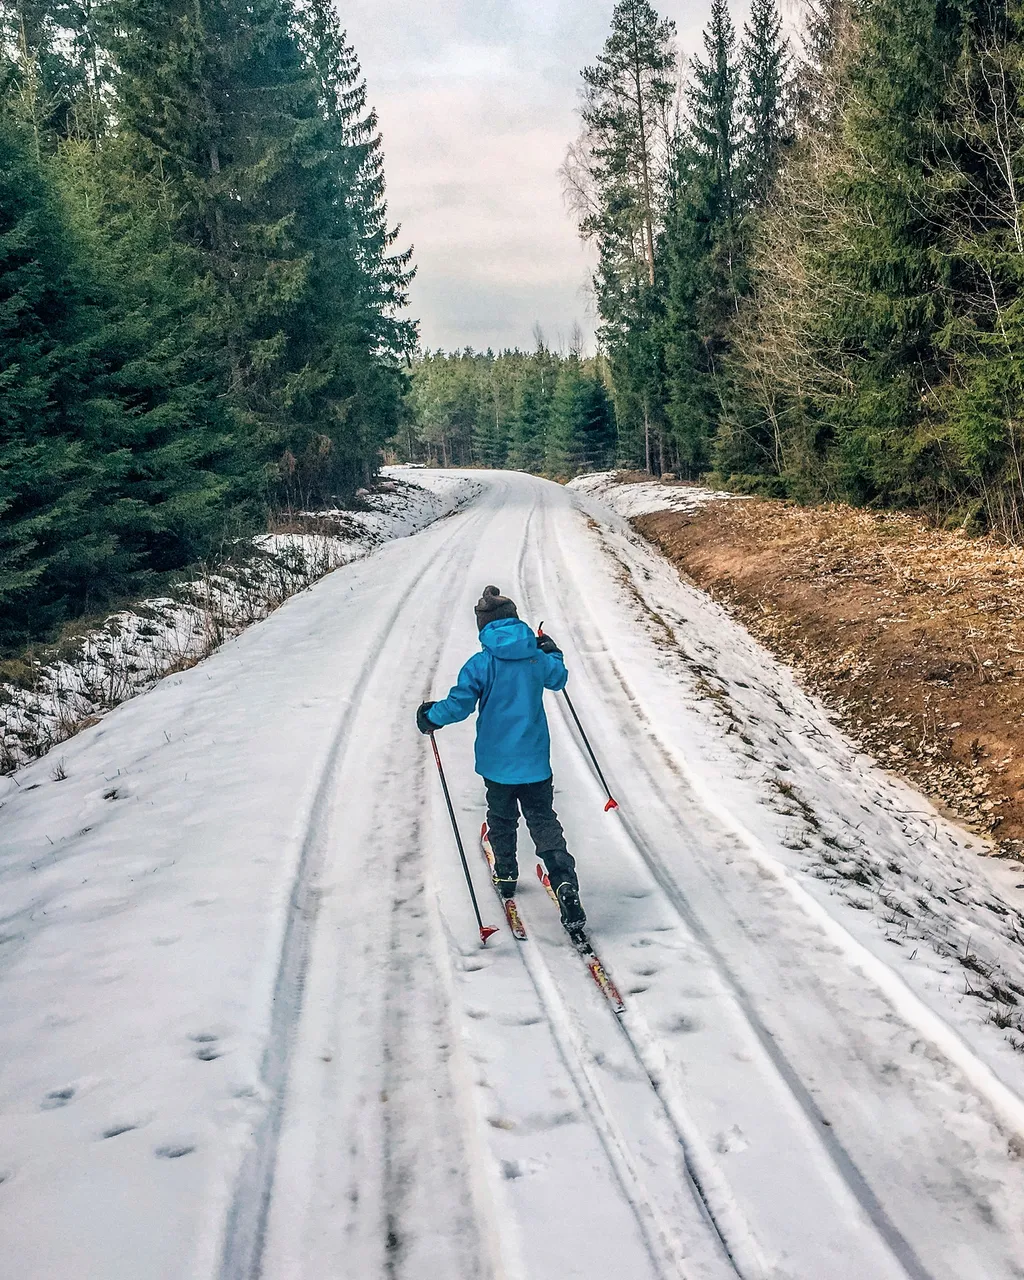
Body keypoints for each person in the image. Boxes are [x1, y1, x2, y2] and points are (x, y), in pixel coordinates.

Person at [416, 585, 586, 937]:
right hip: (535, 761)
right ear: (514, 619)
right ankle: (564, 882)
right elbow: (558, 678)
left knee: (502, 817)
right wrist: (552, 650)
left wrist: (431, 716)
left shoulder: (481, 664)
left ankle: (506, 875)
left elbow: (460, 705)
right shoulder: (536, 658)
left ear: (484, 627)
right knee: (543, 819)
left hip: (497, 764)